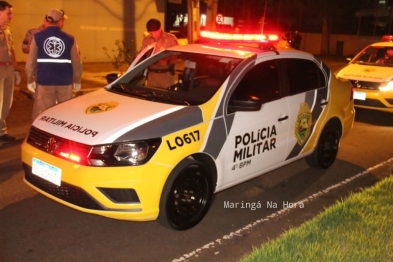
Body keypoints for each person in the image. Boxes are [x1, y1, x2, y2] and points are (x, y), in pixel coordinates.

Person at [25, 8, 83, 121]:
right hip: (64, 82)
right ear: (60, 21)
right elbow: (76, 62)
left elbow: (31, 61)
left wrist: (29, 79)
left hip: (44, 81)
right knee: (65, 114)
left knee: (43, 115)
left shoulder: (37, 37)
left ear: (47, 20)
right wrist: (77, 80)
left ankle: (42, 136)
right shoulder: (70, 38)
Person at [0, 1, 21, 143]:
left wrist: (16, 69)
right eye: (9, 13)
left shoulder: (7, 29)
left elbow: (12, 50)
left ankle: (2, 132)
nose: (11, 16)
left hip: (8, 69)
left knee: (6, 102)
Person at [140, 18, 178, 88]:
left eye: (155, 32)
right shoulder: (146, 40)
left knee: (166, 96)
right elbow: (142, 55)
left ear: (160, 28)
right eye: (151, 33)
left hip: (166, 75)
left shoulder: (170, 39)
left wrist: (167, 61)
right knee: (151, 96)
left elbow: (177, 55)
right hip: (152, 75)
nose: (153, 35)